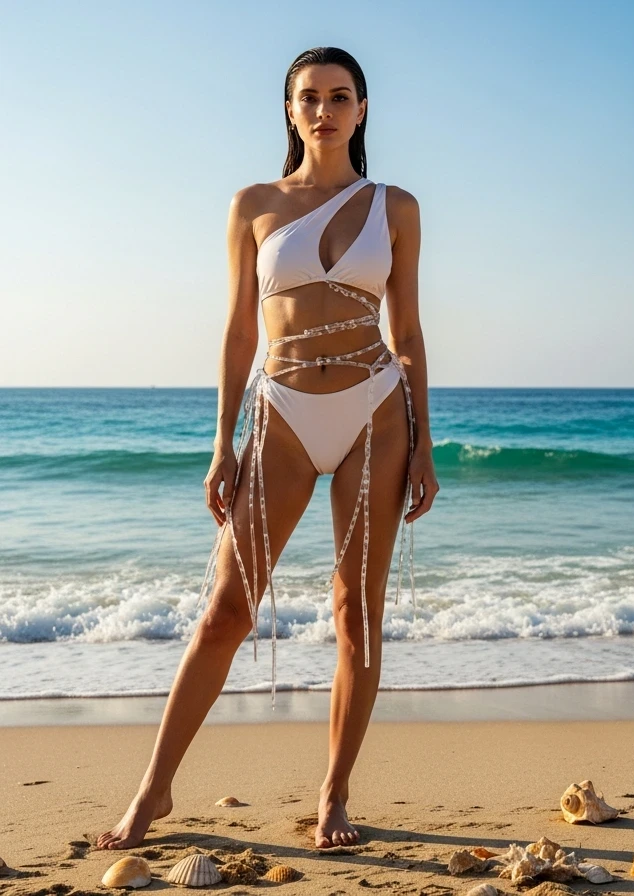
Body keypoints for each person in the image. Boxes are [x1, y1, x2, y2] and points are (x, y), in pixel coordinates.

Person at [97, 46, 439, 850]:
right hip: (280, 408)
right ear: (290, 111)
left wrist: (423, 441)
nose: (325, 110)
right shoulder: (252, 204)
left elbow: (411, 330)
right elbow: (239, 329)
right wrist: (221, 443)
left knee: (358, 616)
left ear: (362, 109)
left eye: (340, 97)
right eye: (310, 98)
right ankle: (154, 791)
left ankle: (333, 798)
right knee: (225, 610)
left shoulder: (397, 207)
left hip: (375, 412)